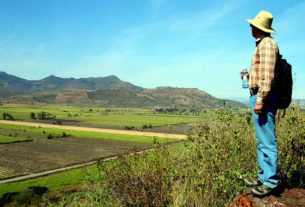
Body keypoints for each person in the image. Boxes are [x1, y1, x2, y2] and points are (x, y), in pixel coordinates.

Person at [243, 10, 280, 198]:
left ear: (259, 28)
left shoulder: (267, 45)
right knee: (262, 141)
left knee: (267, 141)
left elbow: (268, 77)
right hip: (258, 96)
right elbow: (262, 74)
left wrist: (260, 100)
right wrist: (248, 78)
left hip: (262, 98)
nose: (251, 27)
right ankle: (264, 175)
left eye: (253, 25)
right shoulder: (261, 45)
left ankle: (270, 181)